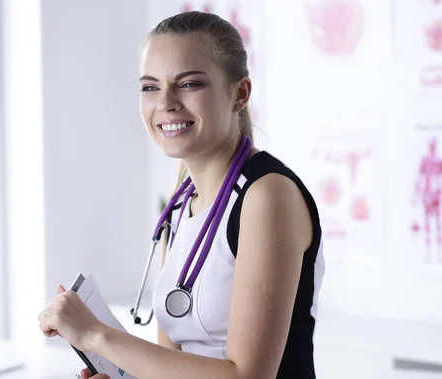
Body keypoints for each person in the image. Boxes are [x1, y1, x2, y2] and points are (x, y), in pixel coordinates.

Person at [38, 11, 325, 379]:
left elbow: (248, 376)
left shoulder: (267, 195)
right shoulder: (180, 205)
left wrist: (97, 335)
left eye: (189, 84)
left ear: (240, 94)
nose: (166, 103)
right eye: (150, 87)